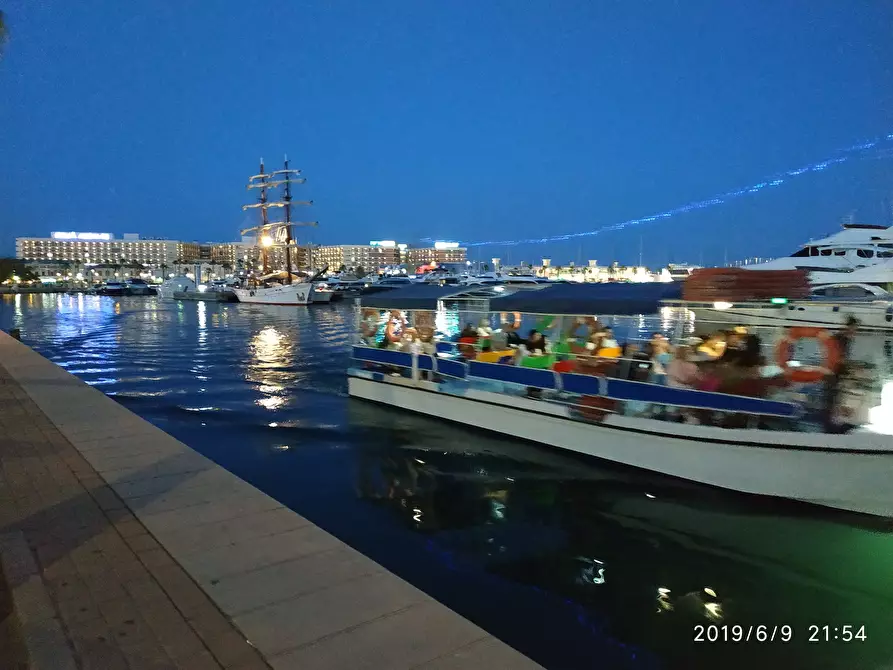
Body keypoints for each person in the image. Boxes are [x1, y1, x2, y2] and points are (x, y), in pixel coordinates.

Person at [822, 316, 859, 433]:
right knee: (831, 400)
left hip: (833, 375)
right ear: (849, 327)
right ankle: (829, 428)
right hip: (832, 375)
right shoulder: (841, 339)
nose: (854, 331)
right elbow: (837, 358)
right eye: (854, 328)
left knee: (833, 400)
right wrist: (850, 368)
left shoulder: (843, 339)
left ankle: (831, 425)